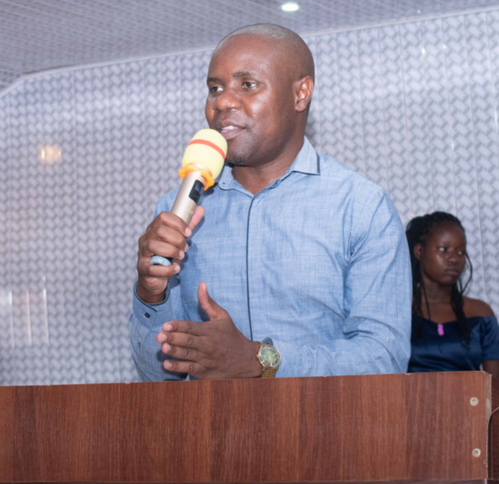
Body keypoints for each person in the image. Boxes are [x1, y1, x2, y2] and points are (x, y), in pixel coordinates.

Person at [129, 23, 412, 381]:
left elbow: (384, 360)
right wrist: (150, 293)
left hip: (323, 418)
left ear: (300, 94)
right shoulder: (177, 210)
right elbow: (158, 378)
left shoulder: (361, 207)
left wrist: (260, 360)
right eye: (215, 88)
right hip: (209, 420)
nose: (223, 102)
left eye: (248, 85)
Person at [406, 211, 499, 377]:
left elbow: (496, 385)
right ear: (419, 251)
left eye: (461, 252)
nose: (454, 259)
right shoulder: (400, 312)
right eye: (444, 250)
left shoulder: (480, 313)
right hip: (410, 394)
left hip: (470, 395)